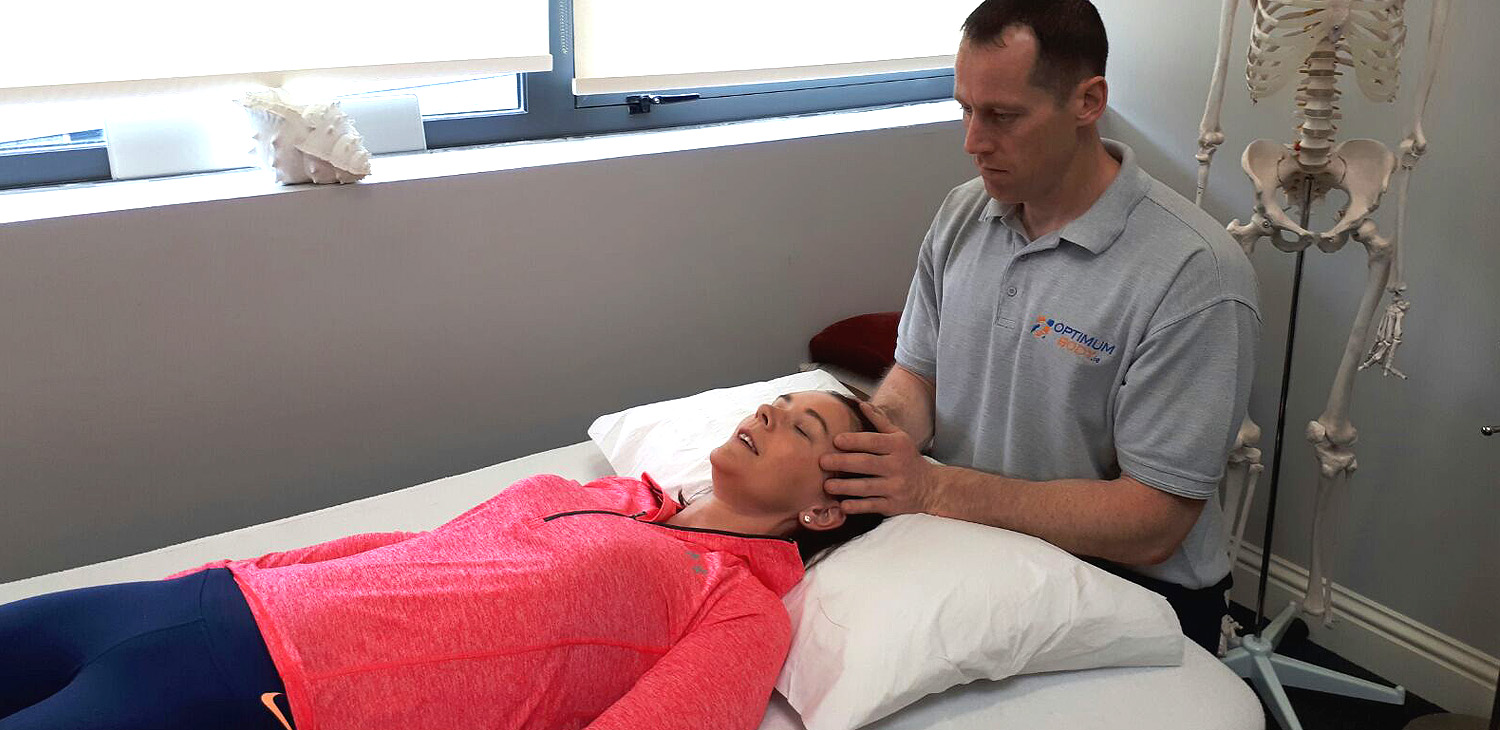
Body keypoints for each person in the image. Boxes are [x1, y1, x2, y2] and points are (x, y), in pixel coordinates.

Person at [0, 391, 883, 730]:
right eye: (776, 402)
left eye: (801, 426)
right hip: (203, 606)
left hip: (269, 695)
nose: (769, 415)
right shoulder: (619, 496)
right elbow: (420, 552)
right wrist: (249, 569)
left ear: (821, 508)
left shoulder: (739, 607)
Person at [821, 0, 1260, 654]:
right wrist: (871, 440)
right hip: (975, 538)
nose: (973, 142)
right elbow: (919, 375)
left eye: (1002, 116)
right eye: (966, 110)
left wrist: (934, 486)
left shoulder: (1195, 275)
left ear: (1088, 102)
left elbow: (1153, 522)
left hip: (1129, 584)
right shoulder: (965, 213)